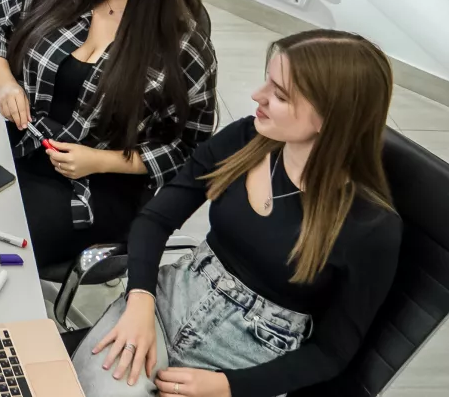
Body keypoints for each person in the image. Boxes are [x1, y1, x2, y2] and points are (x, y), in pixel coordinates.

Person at [74, 30, 402, 397]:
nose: (257, 97)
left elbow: (332, 353)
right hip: (166, 303)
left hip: (249, 359)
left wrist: (230, 386)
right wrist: (140, 301)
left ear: (330, 118)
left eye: (279, 95)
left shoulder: (371, 227)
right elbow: (156, 219)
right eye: (267, 82)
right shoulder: (245, 140)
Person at [0, 0, 217, 271]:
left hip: (97, 182)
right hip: (20, 139)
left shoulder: (183, 49)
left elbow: (190, 150)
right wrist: (6, 84)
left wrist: (101, 159)